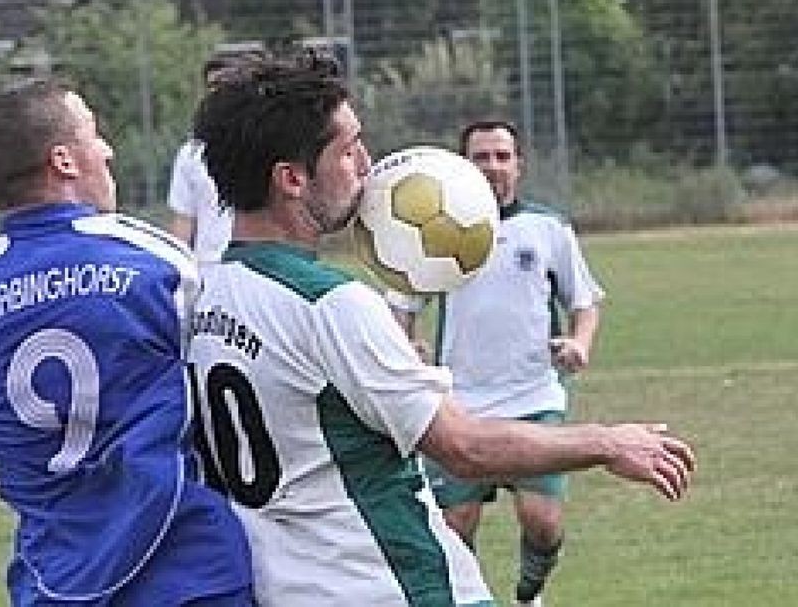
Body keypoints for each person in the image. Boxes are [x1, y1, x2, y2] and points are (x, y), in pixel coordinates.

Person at [188, 52, 694, 606]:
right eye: (349, 150)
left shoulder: (204, 293)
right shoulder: (331, 305)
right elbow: (464, 448)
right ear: (291, 178)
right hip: (394, 587)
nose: (367, 164)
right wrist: (608, 442)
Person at [0, 79, 254, 605]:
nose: (107, 150)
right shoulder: (155, 264)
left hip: (53, 580)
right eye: (94, 134)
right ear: (64, 161)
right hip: (187, 568)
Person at [396, 119, 604, 606]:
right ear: (464, 166)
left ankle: (530, 593)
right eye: (481, 157)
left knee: (542, 520)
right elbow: (400, 305)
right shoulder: (439, 232)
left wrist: (580, 343)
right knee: (454, 526)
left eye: (502, 156)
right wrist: (407, 349)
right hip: (459, 405)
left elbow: (585, 302)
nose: (492, 166)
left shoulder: (548, 228)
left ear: (518, 165)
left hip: (534, 396)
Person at [166, 50, 265, 261]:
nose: (216, 96)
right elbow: (183, 221)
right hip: (209, 269)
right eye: (211, 88)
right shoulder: (191, 154)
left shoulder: (275, 147)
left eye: (224, 87)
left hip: (262, 267)